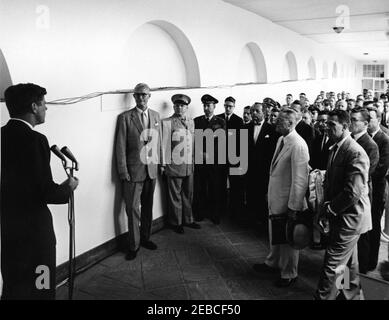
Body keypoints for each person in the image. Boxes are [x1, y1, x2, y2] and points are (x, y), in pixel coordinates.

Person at [1, 83, 79, 300]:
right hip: (35, 236)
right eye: (44, 104)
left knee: (14, 286)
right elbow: (45, 192)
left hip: (8, 230)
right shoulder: (36, 140)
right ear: (34, 106)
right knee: (41, 285)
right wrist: (68, 188)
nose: (46, 109)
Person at [315, 110, 371, 300]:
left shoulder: (355, 152)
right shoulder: (336, 147)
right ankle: (351, 294)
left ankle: (324, 297)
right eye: (327, 124)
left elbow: (352, 193)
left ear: (345, 127)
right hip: (343, 213)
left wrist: (330, 209)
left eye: (332, 125)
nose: (327, 128)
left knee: (333, 263)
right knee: (347, 264)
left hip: (351, 216)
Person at [253, 108, 309, 287]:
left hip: (288, 201)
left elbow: (300, 180)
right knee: (275, 235)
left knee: (288, 240)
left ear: (291, 123)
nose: (275, 122)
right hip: (276, 197)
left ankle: (289, 273)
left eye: (279, 121)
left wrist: (294, 207)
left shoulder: (298, 145)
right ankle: (273, 262)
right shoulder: (281, 139)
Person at [115, 83, 161, 260]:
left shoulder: (156, 116)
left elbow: (158, 143)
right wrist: (122, 171)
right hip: (133, 172)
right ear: (134, 97)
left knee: (148, 207)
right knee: (133, 208)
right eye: (138, 95)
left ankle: (145, 238)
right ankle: (133, 245)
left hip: (152, 170)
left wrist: (161, 164)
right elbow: (120, 146)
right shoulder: (125, 118)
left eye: (144, 95)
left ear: (149, 96)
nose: (141, 98)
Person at [161, 94, 200, 234]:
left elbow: (193, 143)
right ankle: (175, 222)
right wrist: (164, 165)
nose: (179, 108)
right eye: (177, 105)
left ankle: (188, 219)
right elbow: (164, 145)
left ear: (187, 107)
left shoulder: (191, 121)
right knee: (175, 195)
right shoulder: (167, 122)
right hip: (175, 165)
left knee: (188, 194)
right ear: (173, 107)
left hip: (189, 165)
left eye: (182, 105)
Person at [349, 107, 379, 273]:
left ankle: (358, 278)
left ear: (366, 123)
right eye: (350, 119)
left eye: (355, 120)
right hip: (348, 201)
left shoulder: (370, 145)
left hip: (358, 201)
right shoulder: (349, 140)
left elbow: (365, 176)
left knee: (359, 245)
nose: (351, 123)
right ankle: (346, 286)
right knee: (346, 254)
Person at [193, 94, 226, 224]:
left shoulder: (220, 122)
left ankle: (214, 214)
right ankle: (200, 213)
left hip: (215, 161)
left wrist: (210, 154)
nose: (206, 108)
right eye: (204, 105)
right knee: (200, 187)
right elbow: (195, 140)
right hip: (200, 160)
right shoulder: (197, 121)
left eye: (209, 105)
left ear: (214, 106)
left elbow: (222, 142)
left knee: (214, 187)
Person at [246, 103, 279, 227]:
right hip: (249, 170)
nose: (254, 113)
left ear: (264, 112)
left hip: (264, 170)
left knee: (262, 196)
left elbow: (272, 153)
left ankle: (263, 221)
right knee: (250, 195)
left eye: (257, 111)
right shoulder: (245, 128)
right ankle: (251, 219)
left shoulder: (272, 130)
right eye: (252, 111)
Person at [366, 106, 389, 271]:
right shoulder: (361, 138)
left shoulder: (384, 140)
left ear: (379, 120)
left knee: (373, 228)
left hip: (376, 192)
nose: (367, 122)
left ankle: (370, 263)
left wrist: (361, 176)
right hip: (363, 191)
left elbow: (381, 169)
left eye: (371, 119)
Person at [217, 96, 244, 219]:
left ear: (234, 107)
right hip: (220, 157)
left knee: (234, 184)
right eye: (226, 106)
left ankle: (234, 210)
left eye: (230, 106)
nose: (228, 108)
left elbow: (240, 141)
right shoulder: (218, 118)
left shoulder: (239, 120)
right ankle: (221, 208)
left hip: (233, 158)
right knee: (220, 183)